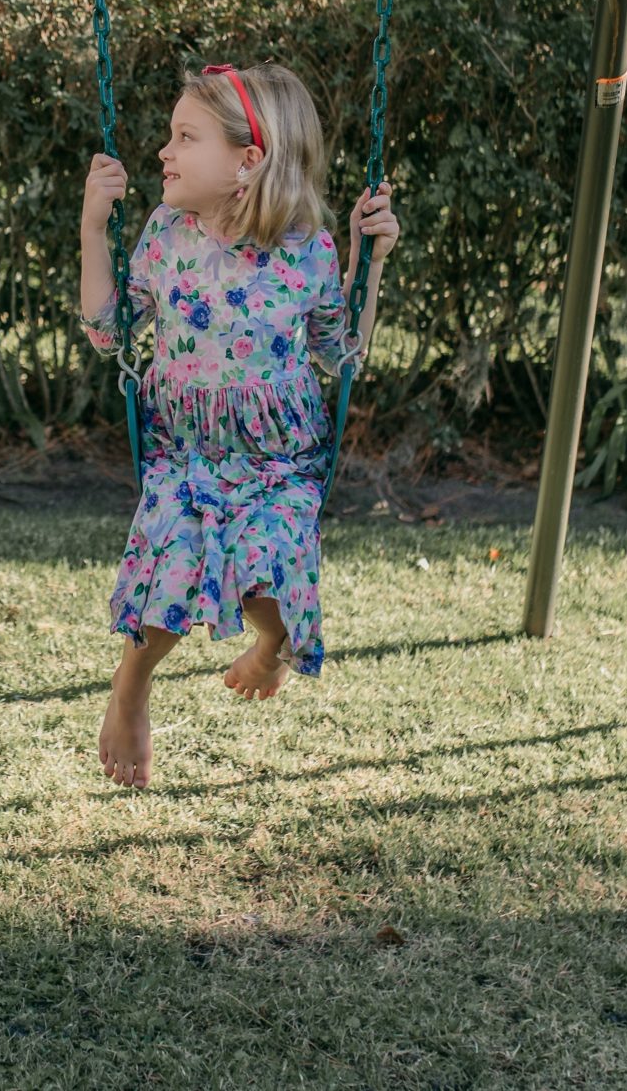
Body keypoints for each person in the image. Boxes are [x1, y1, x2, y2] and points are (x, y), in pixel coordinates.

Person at [78, 62, 399, 789]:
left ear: (246, 161)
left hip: (281, 464)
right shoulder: (166, 235)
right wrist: (93, 229)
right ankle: (131, 687)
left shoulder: (307, 248)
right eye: (169, 134)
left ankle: (272, 645)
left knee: (272, 588)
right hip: (185, 457)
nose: (164, 150)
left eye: (185, 136)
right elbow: (107, 329)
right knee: (169, 582)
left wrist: (366, 261)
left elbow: (342, 348)